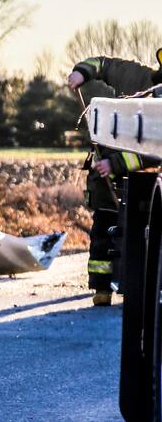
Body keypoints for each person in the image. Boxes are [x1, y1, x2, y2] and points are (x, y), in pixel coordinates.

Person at [68, 54, 161, 305]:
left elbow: (155, 154)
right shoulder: (139, 78)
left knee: (142, 238)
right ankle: (101, 288)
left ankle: (141, 286)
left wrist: (116, 164)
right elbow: (104, 64)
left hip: (143, 182)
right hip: (107, 175)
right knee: (103, 232)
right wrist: (81, 73)